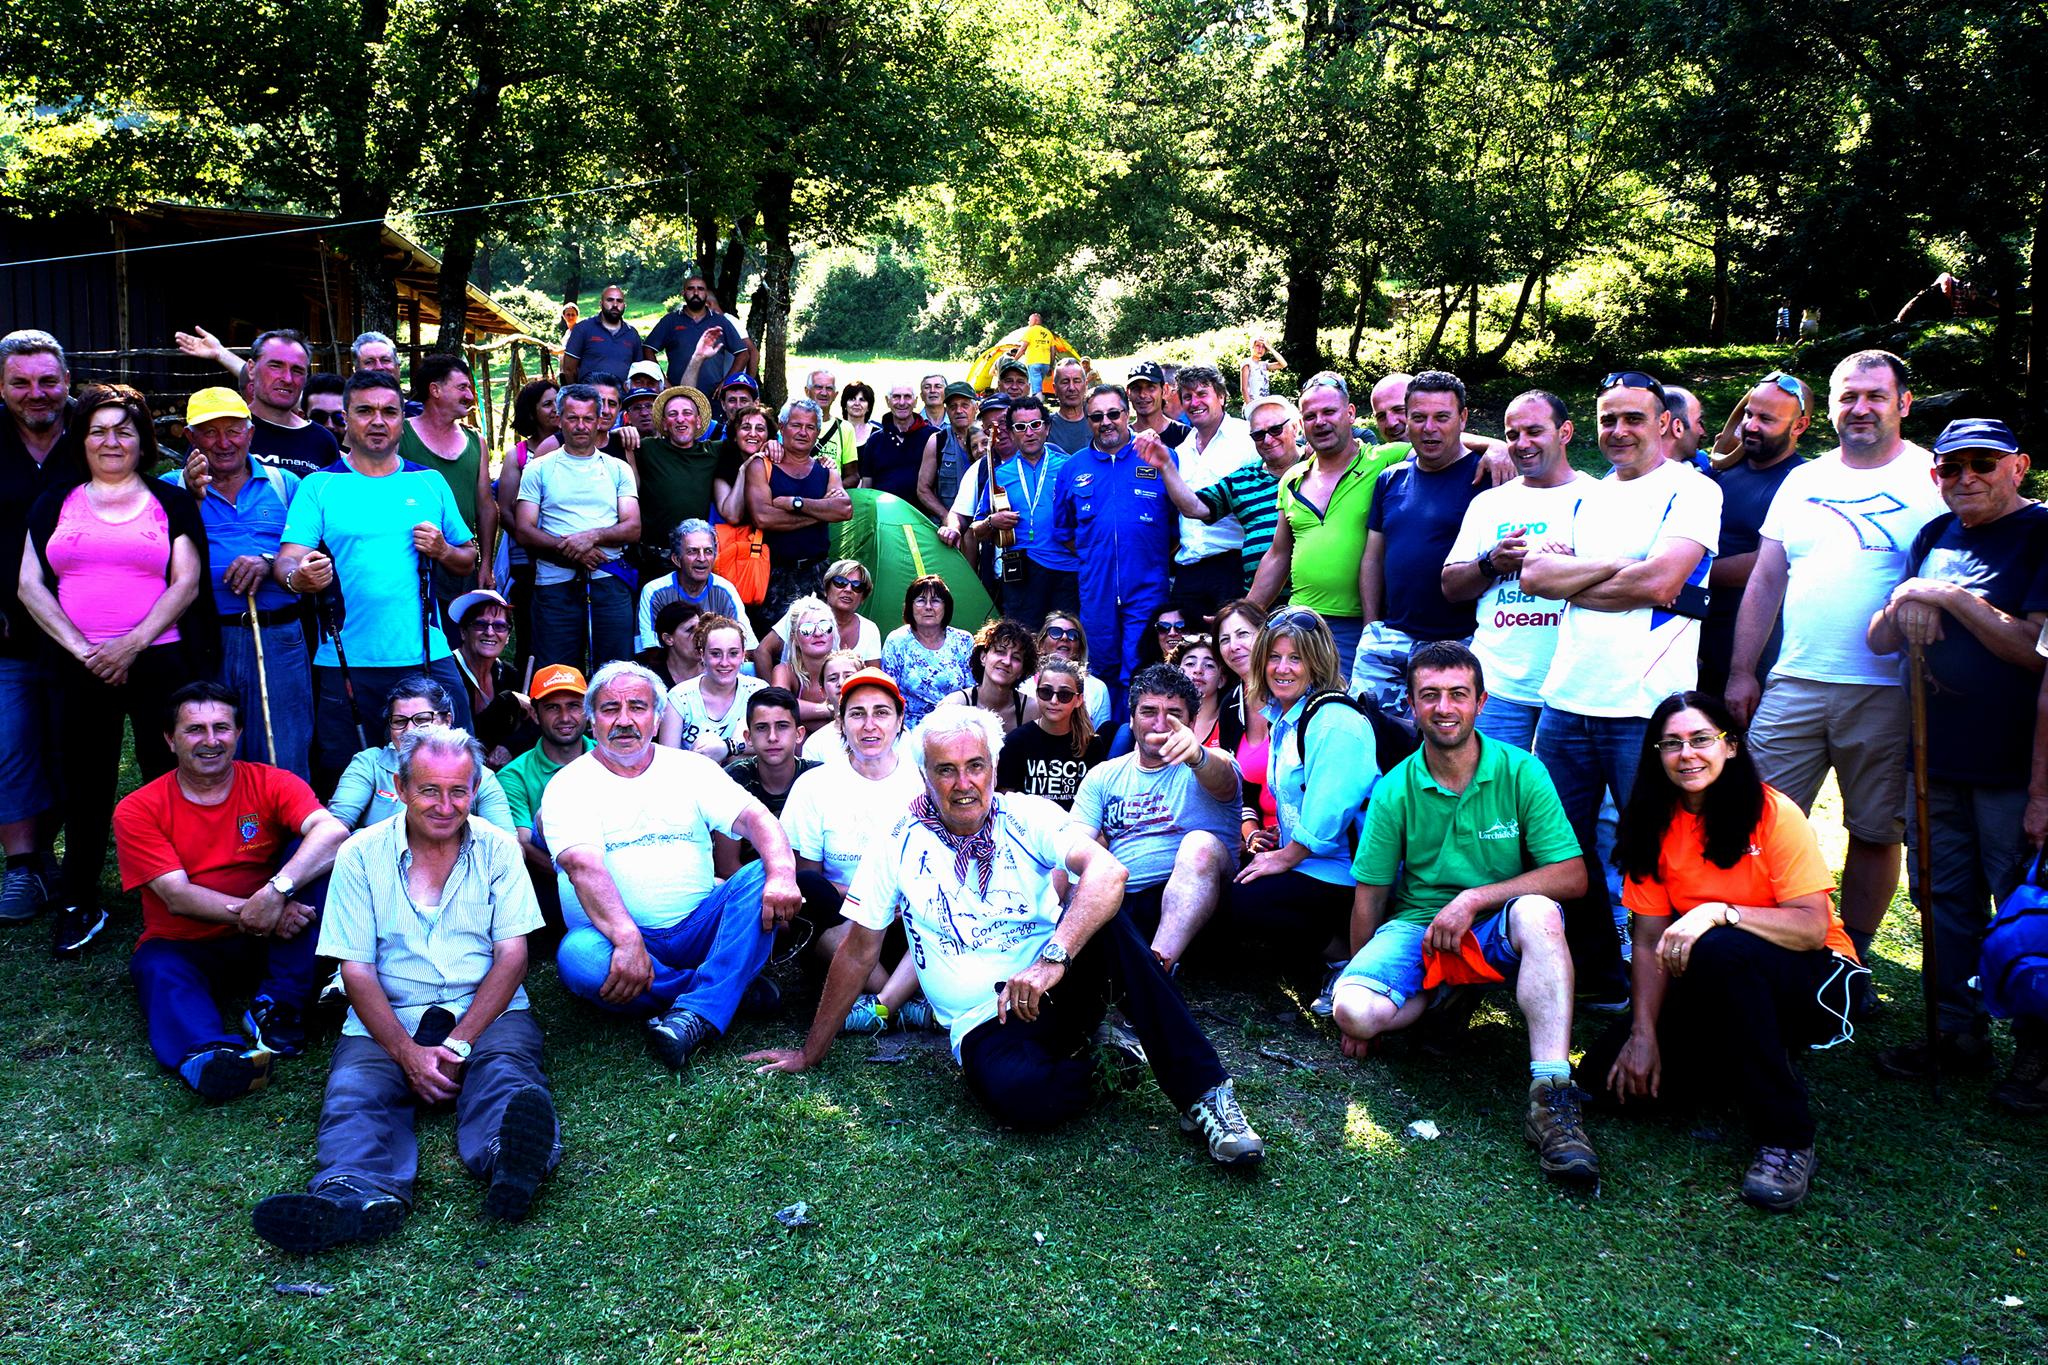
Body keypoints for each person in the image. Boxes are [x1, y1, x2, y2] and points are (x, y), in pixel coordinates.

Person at [749, 706, 1267, 1165]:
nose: (963, 783)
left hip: (1057, 984)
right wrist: (809, 1053)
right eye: (946, 770)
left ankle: (1206, 1094)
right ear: (924, 776)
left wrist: (1052, 960)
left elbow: (1108, 872)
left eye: (975, 766)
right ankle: (1109, 1062)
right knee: (1020, 1097)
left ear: (994, 769)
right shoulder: (897, 840)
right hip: (982, 1021)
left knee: (1107, 918)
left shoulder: (1026, 814)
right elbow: (858, 952)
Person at [251, 726, 561, 1253]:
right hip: (389, 1010)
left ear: (475, 788)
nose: (445, 805)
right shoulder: (359, 854)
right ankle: (354, 1191)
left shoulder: (499, 849)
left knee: (506, 1072)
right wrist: (406, 1054)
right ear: (399, 787)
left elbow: (513, 958)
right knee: (355, 1091)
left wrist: (460, 1042)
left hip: (486, 1006)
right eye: (429, 790)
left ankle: (512, 1160)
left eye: (459, 791)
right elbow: (357, 971)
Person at [1583, 692, 1864, 1211]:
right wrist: (1643, 1035)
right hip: (1712, 975)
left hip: (1815, 979)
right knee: (1604, 1081)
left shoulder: (1773, 812)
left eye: (1701, 739)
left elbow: (1811, 928)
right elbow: (1646, 941)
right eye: (1671, 744)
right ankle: (1730, 1063)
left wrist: (1719, 911)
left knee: (1720, 948)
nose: (1686, 754)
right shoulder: (1653, 822)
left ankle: (1787, 1137)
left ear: (1730, 746)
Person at [1328, 641, 1595, 1182]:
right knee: (1353, 1009)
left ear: (1481, 702)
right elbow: (1370, 896)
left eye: (1458, 694)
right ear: (1411, 705)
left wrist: (1474, 899)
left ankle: (1552, 1095)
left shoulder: (1521, 771)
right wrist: (1361, 974)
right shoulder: (1396, 787)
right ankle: (1444, 992)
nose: (1444, 707)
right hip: (1420, 925)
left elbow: (1572, 876)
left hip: (1496, 923)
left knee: (1539, 911)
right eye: (1430, 695)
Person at [1725, 351, 1943, 985]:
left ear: (1903, 403)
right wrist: (1743, 671)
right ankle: (1761, 944)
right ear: (1830, 406)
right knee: (1755, 818)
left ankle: (1851, 960)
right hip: (1794, 679)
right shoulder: (1804, 480)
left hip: (1887, 688)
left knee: (1874, 830)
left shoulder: (1932, 476)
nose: (1861, 408)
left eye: (1875, 396)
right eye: (1848, 396)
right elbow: (1767, 579)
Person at [1522, 370, 1723, 1007]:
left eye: (1634, 418)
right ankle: (1598, 977)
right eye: (1608, 418)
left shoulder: (1693, 490)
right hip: (1566, 700)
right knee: (1561, 849)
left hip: (1646, 707)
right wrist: (1622, 566)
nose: (1618, 430)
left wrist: (1586, 579)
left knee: (1653, 851)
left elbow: (1663, 582)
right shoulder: (1587, 495)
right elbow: (1535, 577)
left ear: (1665, 424)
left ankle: (1670, 988)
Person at [1867, 419, 2048, 1081]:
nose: (1966, 477)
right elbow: (1879, 639)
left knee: (2026, 908)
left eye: (1983, 463)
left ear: (2018, 466)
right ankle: (1955, 1033)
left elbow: (2036, 650)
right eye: (1951, 466)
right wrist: (1903, 604)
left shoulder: (2041, 533)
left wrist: (1945, 596)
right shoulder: (1934, 535)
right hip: (1934, 762)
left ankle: (2038, 1050)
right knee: (1942, 900)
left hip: (2014, 768)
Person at [20, 382, 212, 958]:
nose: (110, 441)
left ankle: (176, 890)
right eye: (98, 430)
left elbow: (186, 583)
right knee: (85, 781)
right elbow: (29, 585)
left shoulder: (171, 501)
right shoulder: (54, 502)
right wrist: (86, 651)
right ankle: (80, 898)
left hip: (158, 658)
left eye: (123, 431)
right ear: (81, 440)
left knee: (165, 774)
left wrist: (129, 646)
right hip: (78, 664)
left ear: (141, 440)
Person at [545, 661, 803, 1069]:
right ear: (592, 720)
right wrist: (627, 940)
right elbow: (582, 866)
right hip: (615, 939)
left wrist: (784, 875)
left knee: (759, 875)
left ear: (657, 717)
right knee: (578, 958)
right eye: (610, 709)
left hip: (699, 927)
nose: (625, 720)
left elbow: (756, 818)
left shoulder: (690, 768)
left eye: (637, 707)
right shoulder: (568, 784)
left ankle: (697, 1004)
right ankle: (725, 991)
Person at [115, 681, 350, 1099]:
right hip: (186, 943)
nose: (211, 740)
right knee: (158, 969)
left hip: (277, 941)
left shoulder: (271, 782)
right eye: (194, 729)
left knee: (313, 853)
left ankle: (277, 1006)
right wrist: (261, 912)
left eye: (221, 728)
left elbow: (332, 833)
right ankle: (211, 1056)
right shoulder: (138, 808)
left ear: (238, 733)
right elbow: (176, 896)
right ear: (170, 739)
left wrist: (276, 893)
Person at [276, 370, 478, 787]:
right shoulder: (320, 486)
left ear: (403, 419)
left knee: (454, 763)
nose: (378, 421)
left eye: (389, 411)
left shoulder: (428, 482)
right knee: (346, 777)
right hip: (345, 661)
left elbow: (467, 558)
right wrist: (300, 579)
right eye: (365, 411)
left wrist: (443, 550)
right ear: (346, 418)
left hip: (426, 654)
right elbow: (287, 560)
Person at [1230, 609, 1382, 1004]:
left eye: (1295, 658)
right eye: (1274, 657)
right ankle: (1313, 956)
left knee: (1245, 900)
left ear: (1317, 661)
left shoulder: (1333, 720)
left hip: (1348, 871)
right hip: (1313, 859)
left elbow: (1331, 812)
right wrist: (1278, 836)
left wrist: (1285, 856)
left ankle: (1347, 959)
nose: (1282, 668)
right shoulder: (1285, 717)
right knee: (1235, 879)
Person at [168, 385, 314, 779]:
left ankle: (286, 821)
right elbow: (157, 565)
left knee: (283, 751)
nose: (223, 443)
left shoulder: (286, 485)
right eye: (209, 432)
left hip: (278, 636)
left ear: (250, 433)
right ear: (190, 437)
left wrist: (268, 562)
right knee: (209, 751)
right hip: (205, 639)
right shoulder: (170, 488)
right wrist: (191, 501)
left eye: (233, 430)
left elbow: (312, 554)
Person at [781, 668, 934, 1033]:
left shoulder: (924, 782)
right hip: (844, 924)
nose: (869, 726)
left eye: (881, 713)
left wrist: (899, 901)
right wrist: (868, 900)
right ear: (841, 722)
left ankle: (880, 1006)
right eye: (857, 714)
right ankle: (898, 1001)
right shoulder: (814, 785)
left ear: (900, 720)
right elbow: (809, 879)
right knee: (807, 891)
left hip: (907, 923)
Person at [1441, 390, 1592, 749]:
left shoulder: (1599, 499)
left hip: (1574, 687)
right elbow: (1451, 587)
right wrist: (1491, 563)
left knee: (1560, 787)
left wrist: (1571, 567)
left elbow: (1624, 581)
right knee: (1493, 783)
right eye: (1512, 435)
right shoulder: (1489, 503)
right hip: (1497, 687)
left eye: (1534, 431)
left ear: (1565, 432)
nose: (1522, 444)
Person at [1071, 665, 1240, 973]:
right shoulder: (1103, 776)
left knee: (1199, 844)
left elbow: (1224, 780)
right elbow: (1074, 845)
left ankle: (1157, 969)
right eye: (1148, 711)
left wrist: (1197, 756)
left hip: (1200, 904)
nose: (1161, 724)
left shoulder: (1213, 762)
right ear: (1132, 718)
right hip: (1122, 900)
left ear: (1191, 721)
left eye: (1174, 713)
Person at [0, 330, 86, 924]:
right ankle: (23, 864)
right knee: (10, 744)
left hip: (85, 628)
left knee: (69, 745)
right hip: (7, 632)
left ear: (66, 382)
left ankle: (55, 856)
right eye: (21, 383)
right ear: (2, 386)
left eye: (48, 381)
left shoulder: (92, 431)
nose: (37, 393)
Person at [1349, 372, 1490, 716]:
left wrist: (1498, 448)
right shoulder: (1390, 479)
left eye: (1441, 417)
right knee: (1367, 730)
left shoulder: (1487, 477)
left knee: (1445, 735)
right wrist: (1372, 625)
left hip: (1459, 641)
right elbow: (1373, 558)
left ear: (1463, 418)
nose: (1429, 428)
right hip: (1391, 639)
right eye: (1418, 417)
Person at [1249, 373, 1410, 666]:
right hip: (1301, 622)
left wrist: (1494, 449)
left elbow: (1439, 440)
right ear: (1301, 424)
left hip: (1359, 623)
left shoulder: (1385, 459)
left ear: (1350, 413)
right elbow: (1279, 554)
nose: (1320, 422)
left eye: (1329, 412)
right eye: (1310, 416)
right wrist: (1246, 611)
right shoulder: (1292, 479)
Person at [1052, 385, 1176, 723]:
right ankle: (1104, 738)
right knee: (1101, 666)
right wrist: (1097, 553)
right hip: (1097, 587)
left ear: (1127, 414)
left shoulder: (1156, 455)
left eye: (1113, 414)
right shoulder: (1073, 468)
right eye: (1096, 416)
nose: (1105, 422)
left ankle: (1137, 737)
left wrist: (1146, 555)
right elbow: (1065, 532)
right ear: (1088, 421)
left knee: (1141, 666)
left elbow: (1176, 524)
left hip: (1147, 586)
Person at [513, 382, 641, 675]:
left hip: (609, 578)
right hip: (554, 582)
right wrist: (573, 551)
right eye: (572, 418)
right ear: (559, 419)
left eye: (588, 418)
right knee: (557, 672)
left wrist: (592, 537)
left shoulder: (617, 468)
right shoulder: (538, 468)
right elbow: (524, 529)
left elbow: (633, 527)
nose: (581, 426)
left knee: (615, 671)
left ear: (599, 421)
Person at [1698, 373, 1811, 695]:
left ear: (1799, 426)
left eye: (1766, 419)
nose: (1751, 425)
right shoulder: (1724, 470)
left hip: (1748, 645)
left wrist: (1684, 572)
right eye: (1749, 414)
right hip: (1695, 631)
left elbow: (1765, 564)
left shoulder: (1801, 481)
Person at [329, 676, 516, 834]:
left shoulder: (479, 775)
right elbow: (334, 829)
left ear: (447, 721)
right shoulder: (369, 763)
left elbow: (509, 846)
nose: (410, 730)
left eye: (422, 720)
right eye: (400, 721)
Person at [968, 395, 1079, 626]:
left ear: (1047, 428)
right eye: (1020, 427)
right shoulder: (1000, 475)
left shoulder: (1069, 467)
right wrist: (992, 522)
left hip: (1066, 569)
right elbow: (976, 529)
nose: (1029, 432)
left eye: (1035, 424)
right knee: (1024, 638)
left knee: (1065, 637)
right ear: (1011, 432)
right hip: (1020, 573)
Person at [173, 327, 339, 478]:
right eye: (276, 366)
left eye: (297, 370)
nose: (287, 379)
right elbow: (191, 489)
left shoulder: (322, 440)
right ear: (251, 369)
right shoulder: (222, 429)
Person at [399, 354, 496, 610]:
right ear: (435, 390)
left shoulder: (476, 442)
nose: (470, 396)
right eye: (462, 387)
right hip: (409, 561)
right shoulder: (401, 435)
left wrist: (485, 564)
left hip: (460, 561)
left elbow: (486, 506)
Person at [495, 664, 592, 921]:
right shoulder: (513, 775)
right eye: (552, 708)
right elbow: (524, 844)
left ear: (588, 710)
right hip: (555, 880)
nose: (565, 717)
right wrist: (582, 876)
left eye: (574, 706)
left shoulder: (610, 758)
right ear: (535, 714)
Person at [750, 398, 853, 625]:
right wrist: (821, 511)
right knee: (773, 639)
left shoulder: (827, 470)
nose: (803, 432)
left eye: (810, 427)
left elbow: (844, 509)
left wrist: (795, 503)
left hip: (818, 573)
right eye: (796, 425)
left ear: (818, 433)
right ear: (782, 427)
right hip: (773, 574)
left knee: (817, 637)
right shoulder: (762, 466)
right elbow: (763, 517)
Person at [1165, 364, 1256, 620]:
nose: (1194, 402)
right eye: (1187, 396)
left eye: (1202, 394)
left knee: (1234, 640)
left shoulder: (1247, 438)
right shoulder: (1181, 451)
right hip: (1189, 567)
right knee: (1184, 642)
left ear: (1222, 397)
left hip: (1232, 565)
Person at [716, 687, 821, 876]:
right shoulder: (733, 778)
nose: (772, 737)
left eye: (782, 726)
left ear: (799, 734)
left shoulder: (818, 778)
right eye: (762, 728)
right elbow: (727, 866)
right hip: (749, 884)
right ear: (748, 737)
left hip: (811, 884)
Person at [494, 379, 559, 664]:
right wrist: (531, 540)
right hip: (528, 559)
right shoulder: (518, 455)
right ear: (531, 413)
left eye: (559, 402)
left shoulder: (581, 447)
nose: (556, 409)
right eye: (547, 404)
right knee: (530, 631)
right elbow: (506, 509)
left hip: (568, 555)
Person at [630, 386, 721, 575]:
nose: (680, 419)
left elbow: (748, 441)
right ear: (664, 424)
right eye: (673, 414)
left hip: (697, 558)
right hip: (652, 557)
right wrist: (620, 433)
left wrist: (770, 445)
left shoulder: (713, 451)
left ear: (698, 421)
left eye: (687, 413)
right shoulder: (646, 448)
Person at [997, 655, 1107, 808]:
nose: (1054, 701)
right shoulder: (1015, 742)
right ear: (1037, 694)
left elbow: (1097, 802)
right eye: (1046, 692)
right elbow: (1004, 804)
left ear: (1079, 700)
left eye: (1064, 695)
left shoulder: (1092, 745)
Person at [1214, 599, 1278, 854]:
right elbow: (1240, 790)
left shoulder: (1290, 692)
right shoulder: (1230, 706)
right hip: (1262, 844)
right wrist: (1252, 834)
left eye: (1242, 634)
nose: (1233, 646)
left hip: (1310, 840)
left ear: (1265, 635)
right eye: (1224, 639)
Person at [635, 518, 754, 654]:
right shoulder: (654, 591)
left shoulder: (726, 590)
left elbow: (747, 647)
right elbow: (650, 651)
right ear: (676, 559)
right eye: (693, 551)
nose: (702, 558)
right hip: (670, 667)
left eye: (708, 551)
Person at [657, 612, 766, 761]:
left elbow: (775, 742)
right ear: (702, 655)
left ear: (743, 655)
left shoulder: (758, 691)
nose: (724, 663)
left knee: (744, 728)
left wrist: (728, 747)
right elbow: (668, 761)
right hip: (694, 772)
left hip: (744, 773)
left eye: (733, 653)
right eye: (715, 654)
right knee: (707, 741)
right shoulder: (679, 698)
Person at [449, 589, 537, 769]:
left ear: (508, 637)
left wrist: (510, 746)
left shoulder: (508, 673)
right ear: (463, 632)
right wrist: (507, 700)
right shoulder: (449, 673)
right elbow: (464, 736)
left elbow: (536, 723)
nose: (489, 632)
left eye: (499, 626)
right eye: (480, 624)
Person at [755, 557, 880, 676]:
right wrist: (772, 688)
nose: (848, 589)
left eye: (857, 586)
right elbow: (762, 652)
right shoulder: (801, 613)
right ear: (826, 588)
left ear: (863, 597)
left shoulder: (869, 629)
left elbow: (873, 677)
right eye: (840, 582)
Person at [882, 574, 975, 729]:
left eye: (936, 601)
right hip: (910, 729)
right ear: (910, 606)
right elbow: (888, 694)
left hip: (956, 726)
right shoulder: (896, 641)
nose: (928, 607)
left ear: (946, 606)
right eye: (920, 600)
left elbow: (974, 690)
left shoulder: (963, 640)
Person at [644, 273, 747, 391]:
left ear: (706, 293)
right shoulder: (670, 321)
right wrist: (664, 382)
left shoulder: (720, 321)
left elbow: (743, 354)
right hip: (678, 394)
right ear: (683, 293)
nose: (696, 293)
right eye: (691, 288)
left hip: (712, 395)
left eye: (700, 289)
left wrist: (727, 382)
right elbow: (647, 349)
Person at [862, 383, 945, 518]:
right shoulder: (874, 440)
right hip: (884, 517)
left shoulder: (934, 436)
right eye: (896, 397)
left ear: (915, 401)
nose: (902, 402)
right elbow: (866, 486)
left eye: (907, 397)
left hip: (924, 518)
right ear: (888, 401)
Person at [939, 617, 1037, 730]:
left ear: (1023, 670)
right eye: (1000, 652)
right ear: (983, 657)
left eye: (1016, 658)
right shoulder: (954, 705)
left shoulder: (1033, 710)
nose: (1006, 661)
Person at [1030, 611, 1111, 728]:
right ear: (1041, 645)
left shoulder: (1097, 688)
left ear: (1079, 648)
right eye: (1055, 632)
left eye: (1072, 635)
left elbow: (1101, 735)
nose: (1064, 637)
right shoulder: (1023, 686)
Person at [771, 595, 841, 729]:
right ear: (795, 638)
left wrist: (801, 715)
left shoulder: (847, 667)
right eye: (807, 629)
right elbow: (779, 706)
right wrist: (831, 710)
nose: (818, 633)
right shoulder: (785, 671)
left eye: (825, 626)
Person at [559, 284, 642, 385]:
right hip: (589, 393)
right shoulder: (583, 329)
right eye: (610, 300)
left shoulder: (632, 334)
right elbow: (569, 369)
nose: (615, 305)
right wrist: (577, 393)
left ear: (624, 305)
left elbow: (639, 371)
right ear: (601, 303)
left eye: (619, 301)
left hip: (623, 394)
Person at [712, 400, 773, 526]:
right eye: (746, 428)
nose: (753, 434)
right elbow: (733, 516)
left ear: (768, 436)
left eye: (760, 429)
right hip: (736, 537)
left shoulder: (775, 458)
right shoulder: (724, 460)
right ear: (735, 435)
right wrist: (744, 469)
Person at [799, 650, 864, 763]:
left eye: (848, 676)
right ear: (823, 691)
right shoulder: (815, 744)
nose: (841, 683)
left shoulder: (889, 732)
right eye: (833, 678)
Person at [1124, 360, 1192, 447]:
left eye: (1150, 387)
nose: (1142, 395)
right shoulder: (1122, 438)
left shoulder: (1184, 435)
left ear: (1164, 390)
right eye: (1136, 388)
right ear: (1128, 393)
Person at [1046, 357, 1093, 454]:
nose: (1071, 388)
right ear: (1055, 388)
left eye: (1076, 381)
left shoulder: (1098, 421)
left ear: (1085, 385)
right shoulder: (1045, 426)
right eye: (1065, 382)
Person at [1240, 336, 1287, 414]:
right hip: (1252, 407)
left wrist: (1270, 348)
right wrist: (1250, 408)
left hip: (1264, 406)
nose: (1260, 349)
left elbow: (1283, 364)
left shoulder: (1264, 365)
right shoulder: (1247, 363)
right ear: (1252, 347)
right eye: (1257, 346)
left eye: (1263, 347)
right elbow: (1243, 389)